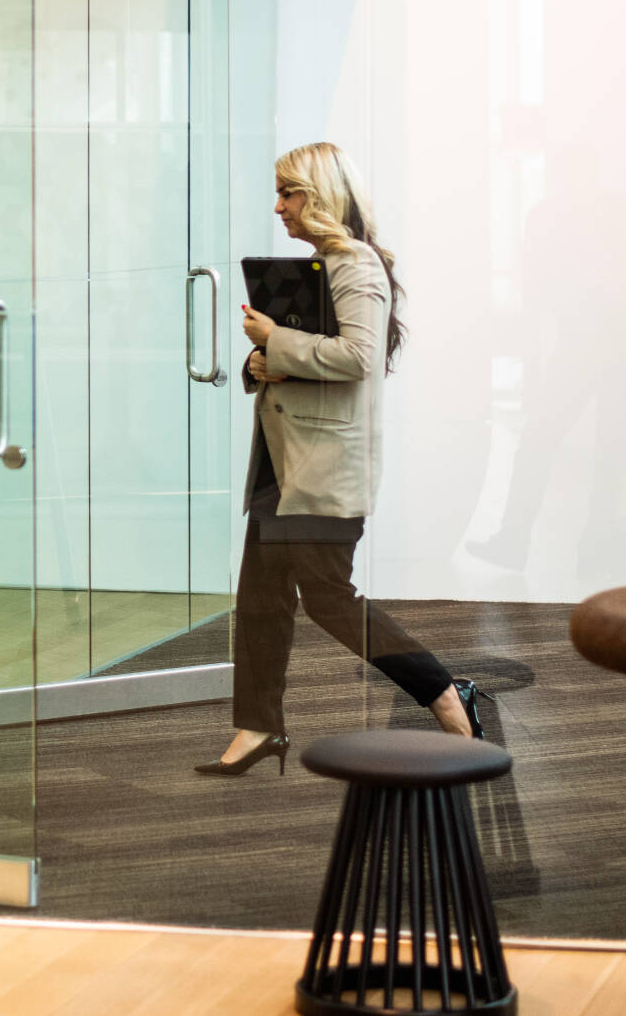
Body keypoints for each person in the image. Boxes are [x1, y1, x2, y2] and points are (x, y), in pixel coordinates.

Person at [198, 141, 482, 778]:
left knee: (328, 599)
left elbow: (356, 358)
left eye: (289, 193)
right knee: (262, 598)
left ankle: (443, 691)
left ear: (320, 194)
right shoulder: (321, 265)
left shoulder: (354, 266)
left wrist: (274, 339)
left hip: (323, 463)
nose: (278, 207)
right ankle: (257, 727)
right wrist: (257, 361)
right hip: (282, 458)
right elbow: (301, 358)